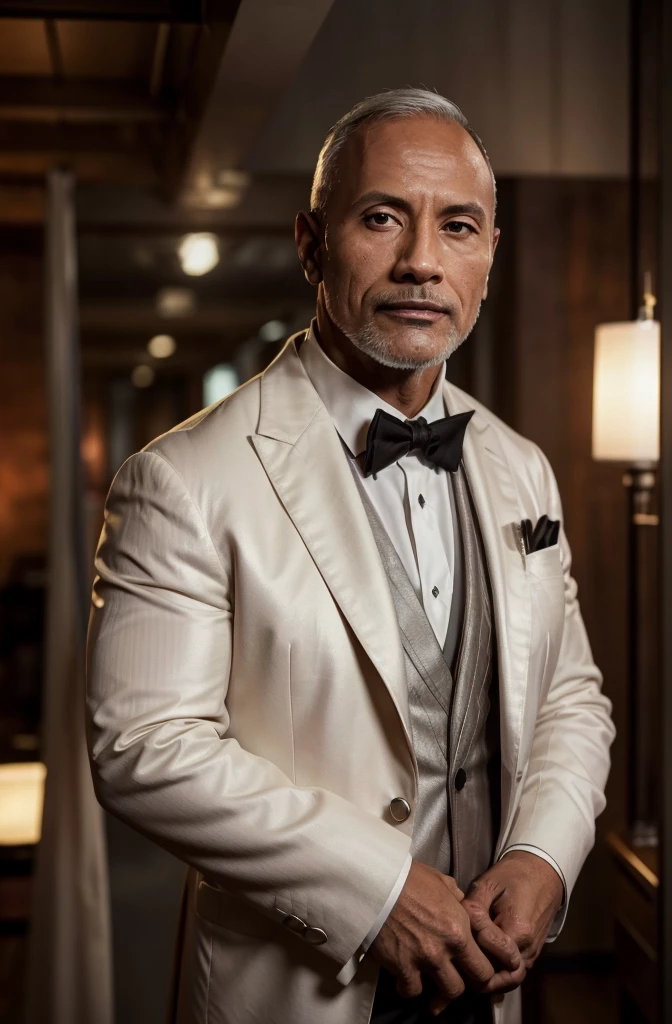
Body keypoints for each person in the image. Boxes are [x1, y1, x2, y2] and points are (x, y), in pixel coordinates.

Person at [86, 89, 615, 1024]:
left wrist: (544, 856)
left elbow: (570, 695)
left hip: (491, 981)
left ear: (490, 255)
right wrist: (378, 889)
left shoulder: (521, 467)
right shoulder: (183, 476)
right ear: (310, 243)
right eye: (382, 218)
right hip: (300, 985)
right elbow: (145, 747)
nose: (421, 262)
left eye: (458, 226)